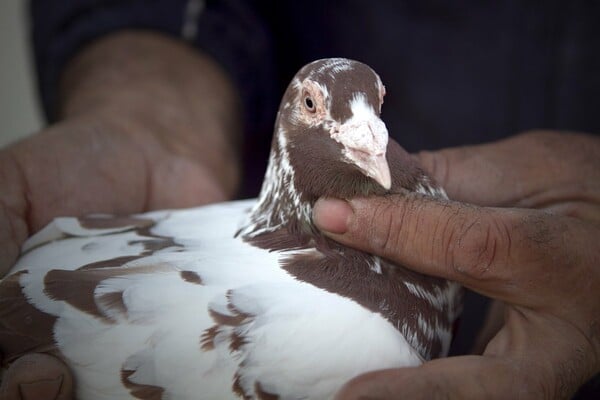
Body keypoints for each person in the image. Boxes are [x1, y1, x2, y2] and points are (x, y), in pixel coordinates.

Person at [0, 1, 598, 398]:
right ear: (296, 119)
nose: (369, 134)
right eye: (317, 106)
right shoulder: (342, 343)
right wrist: (150, 116)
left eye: (373, 107)